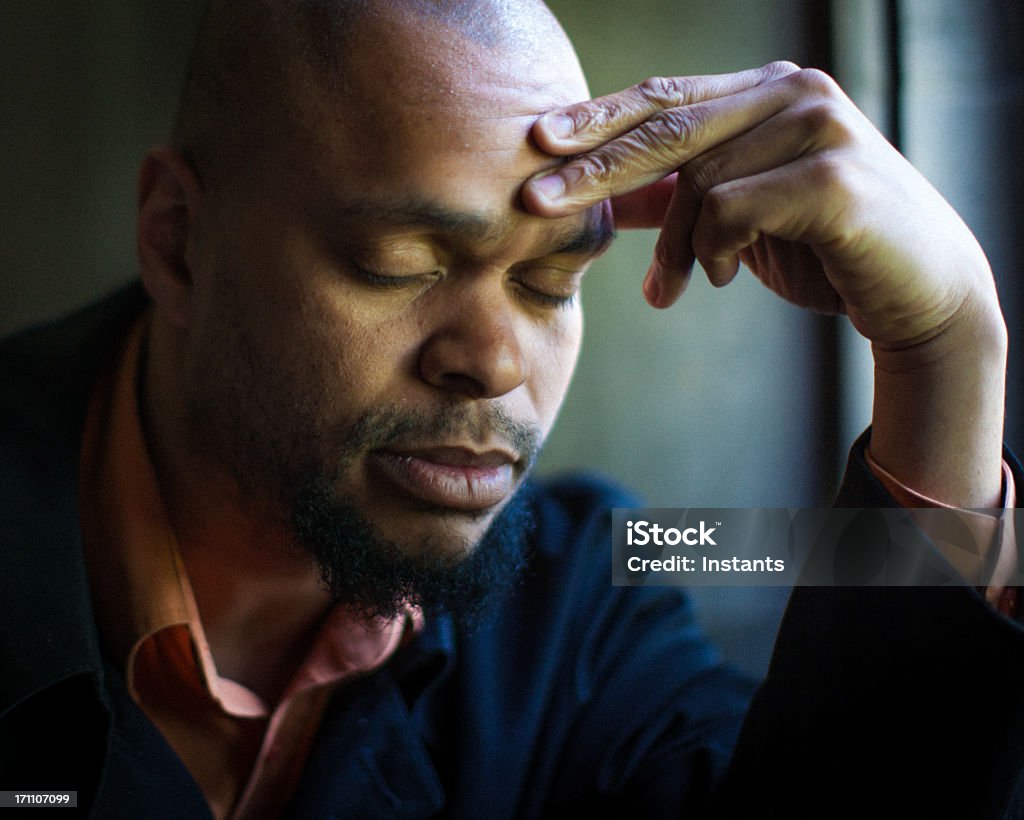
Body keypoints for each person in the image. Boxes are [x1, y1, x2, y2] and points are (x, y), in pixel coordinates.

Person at [1, 1, 1022, 817]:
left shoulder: (593, 581)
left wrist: (945, 359)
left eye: (547, 285)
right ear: (180, 242)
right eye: (398, 265)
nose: (493, 361)